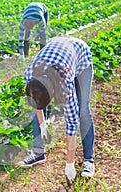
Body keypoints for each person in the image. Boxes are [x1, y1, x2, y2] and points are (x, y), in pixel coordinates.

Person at [18, 36, 95, 182]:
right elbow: (36, 103)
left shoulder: (64, 84)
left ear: (54, 93)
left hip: (81, 56)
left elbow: (72, 124)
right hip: (58, 48)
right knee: (36, 109)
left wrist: (69, 164)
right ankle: (38, 152)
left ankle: (88, 160)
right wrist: (42, 126)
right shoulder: (30, 75)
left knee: (83, 111)